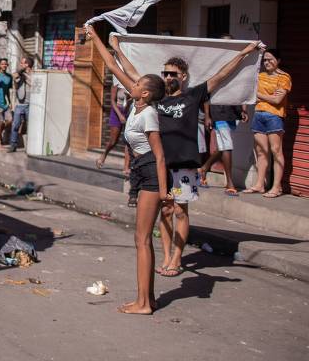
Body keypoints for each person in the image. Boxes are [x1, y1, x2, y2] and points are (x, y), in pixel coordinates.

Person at [110, 35, 261, 278]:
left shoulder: (193, 95)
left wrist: (244, 52)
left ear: (184, 76)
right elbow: (131, 72)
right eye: (166, 73)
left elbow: (222, 75)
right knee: (165, 212)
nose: (169, 77)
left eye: (173, 74)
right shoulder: (156, 97)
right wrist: (117, 49)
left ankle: (177, 258)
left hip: (184, 165)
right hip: (159, 165)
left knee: (181, 211)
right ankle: (168, 255)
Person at [86, 25, 168, 315]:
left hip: (150, 173)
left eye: (135, 84)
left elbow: (159, 157)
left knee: (142, 240)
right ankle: (149, 299)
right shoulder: (137, 104)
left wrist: (165, 192)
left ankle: (143, 303)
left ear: (144, 93)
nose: (129, 85)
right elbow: (112, 64)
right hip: (142, 171)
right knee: (142, 239)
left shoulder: (149, 116)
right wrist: (95, 34)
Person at [247, 50, 291, 198]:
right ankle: (260, 184)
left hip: (274, 116)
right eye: (264, 60)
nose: (266, 62)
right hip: (258, 114)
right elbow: (252, 96)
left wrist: (259, 95)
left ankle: (276, 186)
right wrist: (268, 97)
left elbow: (277, 101)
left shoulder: (284, 77)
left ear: (278, 60)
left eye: (270, 59)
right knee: (261, 151)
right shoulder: (260, 76)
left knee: (276, 151)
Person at [199, 103, 248, 195]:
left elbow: (242, 93)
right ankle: (230, 183)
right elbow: (207, 96)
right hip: (219, 113)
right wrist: (207, 116)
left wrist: (243, 110)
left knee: (224, 147)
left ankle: (204, 168)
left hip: (234, 114)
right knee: (227, 145)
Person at [97, 80, 130, 168]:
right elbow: (112, 101)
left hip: (128, 112)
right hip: (117, 113)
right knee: (113, 141)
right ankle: (104, 155)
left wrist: (130, 100)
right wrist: (120, 115)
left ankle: (126, 167)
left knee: (129, 141)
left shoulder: (131, 83)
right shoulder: (116, 84)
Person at [8, 56, 33, 153]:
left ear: (28, 64)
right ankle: (13, 145)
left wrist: (26, 74)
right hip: (20, 104)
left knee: (30, 126)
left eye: (22, 63)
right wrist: (21, 71)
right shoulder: (19, 74)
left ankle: (30, 146)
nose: (20, 64)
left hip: (30, 104)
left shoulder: (34, 74)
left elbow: (32, 83)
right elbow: (14, 75)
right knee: (15, 125)